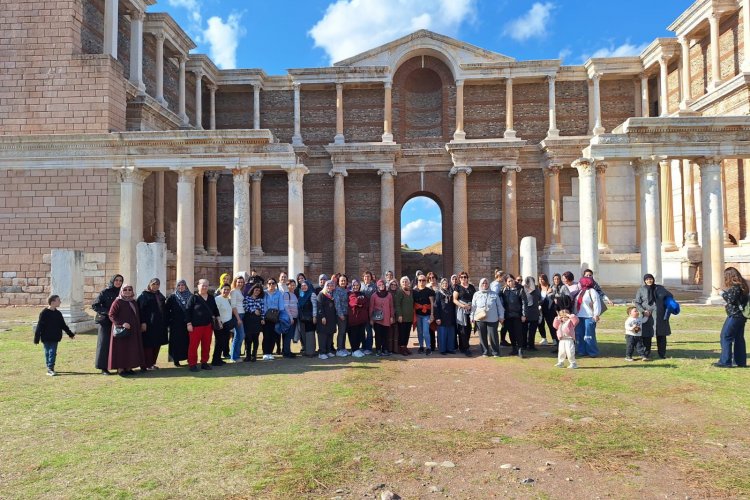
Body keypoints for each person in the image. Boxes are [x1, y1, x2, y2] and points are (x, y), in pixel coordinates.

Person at [108, 283, 146, 376]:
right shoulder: (117, 302)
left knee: (131, 349)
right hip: (121, 330)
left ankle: (129, 368)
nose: (128, 291)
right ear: (122, 291)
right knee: (121, 349)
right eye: (125, 290)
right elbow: (111, 315)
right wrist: (122, 324)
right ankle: (120, 369)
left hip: (133, 330)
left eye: (129, 289)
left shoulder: (133, 301)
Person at [633, 273, 674, 360]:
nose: (649, 281)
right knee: (647, 335)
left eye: (650, 279)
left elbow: (669, 296)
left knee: (661, 335)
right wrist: (643, 311)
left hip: (660, 314)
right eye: (647, 279)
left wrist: (669, 305)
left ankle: (662, 354)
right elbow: (637, 302)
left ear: (653, 279)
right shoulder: (641, 290)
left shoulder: (660, 288)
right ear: (645, 281)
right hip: (647, 316)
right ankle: (646, 354)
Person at [185, 279, 221, 372]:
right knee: (193, 346)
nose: (204, 287)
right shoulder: (193, 297)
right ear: (198, 286)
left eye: (206, 285)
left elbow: (215, 309)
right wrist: (188, 323)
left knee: (206, 345)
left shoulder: (211, 297)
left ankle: (204, 362)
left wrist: (218, 319)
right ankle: (192, 364)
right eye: (203, 285)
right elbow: (187, 311)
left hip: (208, 326)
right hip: (195, 326)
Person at [715, 267, 748, 368]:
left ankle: (725, 361)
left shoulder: (736, 287)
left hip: (735, 315)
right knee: (738, 338)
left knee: (725, 336)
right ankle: (740, 362)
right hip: (741, 315)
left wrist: (721, 293)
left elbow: (731, 300)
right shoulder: (743, 285)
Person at [34, 295, 75, 376]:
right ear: (53, 302)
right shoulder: (44, 313)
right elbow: (40, 326)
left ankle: (50, 368)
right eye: (58, 300)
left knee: (52, 352)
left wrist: (70, 334)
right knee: (47, 353)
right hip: (46, 337)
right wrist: (36, 338)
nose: (60, 302)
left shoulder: (58, 313)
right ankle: (49, 367)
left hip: (55, 337)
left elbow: (63, 325)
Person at [92, 274, 123, 375]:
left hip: (118, 322)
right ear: (112, 281)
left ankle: (117, 366)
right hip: (105, 322)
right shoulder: (105, 292)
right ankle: (103, 368)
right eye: (116, 280)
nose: (118, 282)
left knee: (116, 345)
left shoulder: (122, 292)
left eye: (120, 280)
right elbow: (95, 305)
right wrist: (108, 312)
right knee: (104, 344)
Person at [136, 278, 168, 371]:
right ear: (150, 285)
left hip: (159, 324)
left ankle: (152, 363)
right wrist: (143, 322)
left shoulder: (159, 294)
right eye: (154, 284)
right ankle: (146, 364)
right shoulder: (144, 295)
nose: (155, 286)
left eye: (157, 284)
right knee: (148, 345)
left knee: (157, 344)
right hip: (149, 324)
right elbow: (141, 310)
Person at [471, 278, 505, 357]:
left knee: (493, 335)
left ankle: (495, 352)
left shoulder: (494, 294)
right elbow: (473, 307)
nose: (484, 285)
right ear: (480, 284)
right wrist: (471, 317)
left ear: (488, 285)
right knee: (482, 336)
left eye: (486, 283)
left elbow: (500, 307)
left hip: (492, 318)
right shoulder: (476, 294)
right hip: (480, 319)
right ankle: (485, 352)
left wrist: (501, 316)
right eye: (483, 283)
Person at [165, 279, 191, 367]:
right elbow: (166, 309)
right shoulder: (172, 297)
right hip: (175, 323)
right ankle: (176, 360)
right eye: (179, 285)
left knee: (187, 341)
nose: (181, 287)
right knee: (176, 342)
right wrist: (169, 320)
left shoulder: (190, 296)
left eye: (182, 285)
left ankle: (188, 358)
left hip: (187, 323)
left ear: (186, 286)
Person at [501, 274, 528, 357]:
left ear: (514, 280)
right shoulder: (504, 291)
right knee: (511, 333)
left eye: (511, 280)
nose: (510, 282)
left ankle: (520, 349)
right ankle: (514, 348)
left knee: (518, 333)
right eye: (508, 281)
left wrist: (524, 314)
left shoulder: (520, 290)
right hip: (507, 316)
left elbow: (524, 303)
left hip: (517, 315)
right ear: (506, 282)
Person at [575, 276, 601, 357]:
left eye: (580, 282)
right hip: (579, 316)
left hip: (589, 316)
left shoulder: (592, 291)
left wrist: (596, 314)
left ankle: (592, 352)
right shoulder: (580, 291)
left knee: (589, 335)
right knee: (580, 335)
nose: (579, 283)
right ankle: (581, 351)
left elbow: (597, 303)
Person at [262, 277, 287, 361]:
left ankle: (270, 353)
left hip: (275, 317)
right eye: (269, 283)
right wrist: (263, 316)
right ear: (267, 285)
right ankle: (265, 353)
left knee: (273, 336)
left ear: (276, 285)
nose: (271, 285)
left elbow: (281, 306)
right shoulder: (264, 293)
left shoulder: (279, 293)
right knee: (266, 335)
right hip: (266, 317)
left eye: (273, 283)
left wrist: (280, 316)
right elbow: (263, 305)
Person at [369, 279, 395, 357]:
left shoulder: (389, 295)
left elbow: (391, 306)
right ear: (377, 286)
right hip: (377, 319)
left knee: (386, 335)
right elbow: (371, 307)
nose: (381, 286)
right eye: (379, 285)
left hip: (386, 318)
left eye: (382, 285)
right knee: (378, 335)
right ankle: (378, 350)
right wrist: (371, 318)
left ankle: (385, 349)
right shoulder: (374, 295)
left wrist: (391, 316)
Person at [453, 272, 476, 356]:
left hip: (471, 309)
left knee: (469, 329)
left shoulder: (472, 287)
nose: (463, 278)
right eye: (461, 277)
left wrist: (471, 305)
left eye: (465, 277)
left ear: (467, 278)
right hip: (461, 310)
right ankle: (466, 348)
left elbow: (475, 298)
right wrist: (463, 306)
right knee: (462, 329)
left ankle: (463, 346)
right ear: (459, 278)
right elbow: (454, 300)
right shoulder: (457, 287)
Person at [212, 284, 236, 366]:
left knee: (223, 342)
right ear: (220, 290)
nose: (226, 291)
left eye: (228, 289)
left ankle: (218, 359)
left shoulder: (227, 299)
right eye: (224, 289)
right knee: (219, 343)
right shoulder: (218, 299)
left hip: (227, 325)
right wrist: (219, 322)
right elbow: (215, 312)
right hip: (220, 324)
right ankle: (215, 360)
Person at [552, 296, 578, 368]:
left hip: (569, 339)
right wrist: (558, 318)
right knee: (561, 351)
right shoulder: (560, 322)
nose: (564, 318)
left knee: (570, 352)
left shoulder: (571, 322)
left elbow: (576, 320)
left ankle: (573, 363)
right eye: (562, 316)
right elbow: (554, 326)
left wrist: (569, 316)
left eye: (565, 316)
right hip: (562, 339)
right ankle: (560, 362)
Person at [413, 274, 435, 354]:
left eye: (423, 280)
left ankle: (428, 347)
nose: (421, 282)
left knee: (426, 331)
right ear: (417, 281)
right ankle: (421, 346)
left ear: (426, 281)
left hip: (427, 315)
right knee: (419, 332)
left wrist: (432, 314)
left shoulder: (429, 291)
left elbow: (432, 303)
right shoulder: (414, 291)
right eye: (420, 280)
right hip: (418, 314)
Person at [434, 278, 457, 355]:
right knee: (442, 334)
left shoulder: (451, 293)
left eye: (446, 283)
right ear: (441, 284)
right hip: (442, 317)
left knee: (450, 334)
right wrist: (437, 318)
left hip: (450, 317)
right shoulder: (438, 293)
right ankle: (442, 350)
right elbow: (436, 306)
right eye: (443, 283)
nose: (445, 285)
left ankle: (450, 349)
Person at [242, 284, 264, 362]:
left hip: (257, 321)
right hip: (248, 319)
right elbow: (245, 307)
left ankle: (254, 355)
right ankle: (247, 356)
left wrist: (262, 318)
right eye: (256, 290)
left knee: (255, 339)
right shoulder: (247, 298)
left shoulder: (261, 300)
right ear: (252, 290)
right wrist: (254, 311)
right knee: (248, 339)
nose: (257, 292)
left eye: (259, 290)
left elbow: (262, 310)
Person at [347, 279, 369, 357]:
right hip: (353, 318)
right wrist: (360, 301)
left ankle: (357, 349)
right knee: (353, 335)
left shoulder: (362, 293)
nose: (356, 287)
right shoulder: (350, 294)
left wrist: (360, 302)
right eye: (354, 285)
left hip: (362, 319)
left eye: (357, 285)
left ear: (359, 286)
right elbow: (354, 302)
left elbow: (366, 303)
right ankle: (354, 350)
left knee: (360, 335)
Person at [316, 279, 338, 359]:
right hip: (323, 319)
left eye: (331, 285)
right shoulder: (321, 295)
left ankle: (328, 351)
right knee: (323, 336)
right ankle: (322, 352)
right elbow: (319, 307)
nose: (329, 287)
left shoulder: (332, 295)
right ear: (325, 286)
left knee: (330, 335)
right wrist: (322, 317)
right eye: (328, 285)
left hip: (331, 319)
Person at [394, 276, 415, 356]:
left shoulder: (411, 292)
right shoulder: (399, 292)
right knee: (402, 333)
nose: (405, 283)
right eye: (403, 281)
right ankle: (401, 348)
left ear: (409, 283)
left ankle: (405, 346)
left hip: (409, 317)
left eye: (406, 281)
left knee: (407, 333)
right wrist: (399, 315)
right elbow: (397, 304)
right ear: (400, 283)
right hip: (402, 317)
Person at [297, 280, 318, 357]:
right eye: (302, 286)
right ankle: (306, 350)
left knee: (310, 335)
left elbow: (315, 306)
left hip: (310, 318)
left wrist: (314, 316)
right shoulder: (301, 294)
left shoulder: (312, 294)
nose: (303, 287)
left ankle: (311, 352)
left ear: (308, 286)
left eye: (305, 285)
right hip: (302, 318)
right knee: (304, 335)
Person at [229, 274, 246, 362]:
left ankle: (235, 355)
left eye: (242, 282)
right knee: (240, 335)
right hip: (237, 315)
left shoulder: (239, 291)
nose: (240, 283)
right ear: (235, 282)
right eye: (239, 282)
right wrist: (238, 318)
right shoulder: (233, 291)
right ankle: (234, 356)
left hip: (242, 314)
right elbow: (233, 306)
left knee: (239, 335)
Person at [522, 276, 542, 352]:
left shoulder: (536, 289)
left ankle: (531, 345)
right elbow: (522, 302)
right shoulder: (523, 289)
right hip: (526, 312)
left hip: (534, 312)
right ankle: (524, 345)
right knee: (524, 331)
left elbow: (539, 298)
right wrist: (523, 314)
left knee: (532, 331)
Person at [281, 279, 299, 358]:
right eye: (291, 285)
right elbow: (286, 307)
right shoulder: (286, 294)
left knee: (289, 335)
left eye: (294, 284)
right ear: (287, 286)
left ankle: (287, 351)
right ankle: (286, 352)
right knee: (288, 336)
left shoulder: (294, 294)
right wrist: (291, 317)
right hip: (289, 318)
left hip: (294, 318)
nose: (292, 286)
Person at [360, 271, 377, 355]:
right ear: (363, 278)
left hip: (370, 311)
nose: (367, 278)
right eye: (365, 276)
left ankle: (369, 348)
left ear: (371, 278)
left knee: (369, 331)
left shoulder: (374, 287)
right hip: (361, 312)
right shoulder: (360, 285)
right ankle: (363, 347)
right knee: (362, 331)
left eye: (368, 276)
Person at [537, 274, 556, 346]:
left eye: (542, 279)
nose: (541, 281)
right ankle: (544, 338)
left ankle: (554, 339)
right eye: (539, 279)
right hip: (540, 309)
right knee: (540, 324)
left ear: (545, 279)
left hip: (549, 309)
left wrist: (548, 293)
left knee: (551, 324)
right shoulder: (538, 288)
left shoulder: (550, 287)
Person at [333, 274, 350, 357]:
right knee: (341, 332)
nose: (343, 282)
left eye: (344, 280)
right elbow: (337, 303)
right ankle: (339, 349)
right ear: (338, 282)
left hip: (347, 314)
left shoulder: (346, 290)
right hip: (341, 315)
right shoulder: (337, 290)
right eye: (341, 280)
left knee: (344, 332)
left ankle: (343, 348)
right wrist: (340, 314)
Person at [387, 279, 401, 354]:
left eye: (395, 285)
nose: (393, 286)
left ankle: (395, 349)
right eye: (391, 285)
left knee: (396, 332)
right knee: (389, 332)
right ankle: (389, 349)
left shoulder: (399, 293)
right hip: (389, 314)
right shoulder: (387, 293)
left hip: (397, 314)